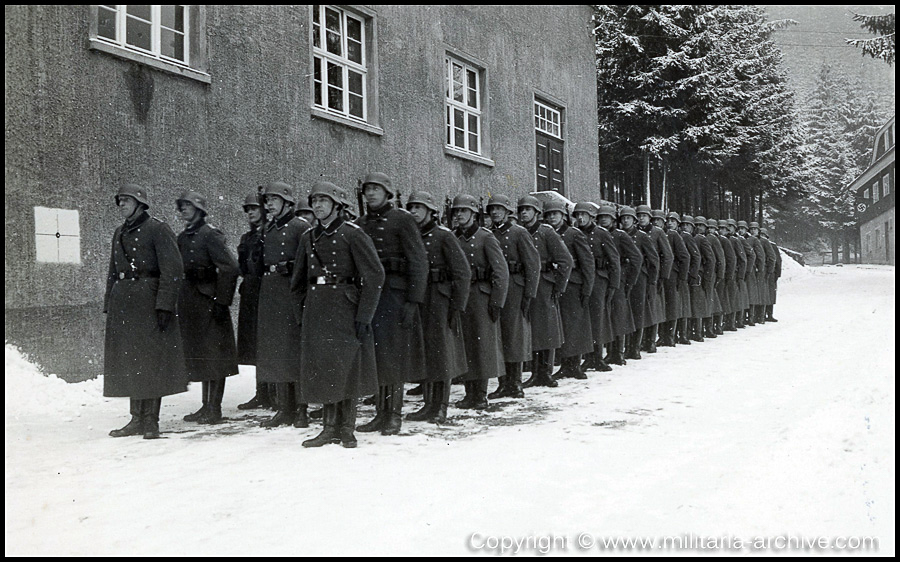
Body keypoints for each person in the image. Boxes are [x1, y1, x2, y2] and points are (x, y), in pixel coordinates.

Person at [290, 181, 384, 448]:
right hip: (317, 309)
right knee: (323, 367)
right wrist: (301, 315)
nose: (318, 206)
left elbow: (375, 275)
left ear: (336, 205)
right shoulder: (308, 237)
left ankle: (346, 428)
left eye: (323, 200)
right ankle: (328, 427)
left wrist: (364, 315)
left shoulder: (353, 234)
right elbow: (297, 282)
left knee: (347, 367)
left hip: (345, 308)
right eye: (315, 201)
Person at [104, 183, 188, 439]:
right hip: (124, 304)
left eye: (126, 200)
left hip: (148, 302)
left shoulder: (158, 229)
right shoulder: (119, 232)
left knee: (150, 361)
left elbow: (172, 270)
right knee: (131, 361)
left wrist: (164, 304)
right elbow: (112, 272)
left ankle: (151, 419)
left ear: (140, 202)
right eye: (119, 201)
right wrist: (109, 303)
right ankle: (136, 418)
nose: (122, 204)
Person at [356, 172, 428, 436]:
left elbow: (418, 262)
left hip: (396, 296)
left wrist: (413, 300)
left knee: (393, 356)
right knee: (377, 356)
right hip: (372, 296)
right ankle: (380, 414)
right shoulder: (361, 223)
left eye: (376, 189)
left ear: (387, 193)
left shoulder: (403, 219)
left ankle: (394, 415)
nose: (371, 194)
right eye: (368, 190)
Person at [404, 191, 471, 421]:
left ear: (431, 211)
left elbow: (462, 273)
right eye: (411, 208)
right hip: (420, 299)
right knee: (426, 353)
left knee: (441, 353)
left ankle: (440, 406)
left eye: (419, 208)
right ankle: (428, 404)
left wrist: (457, 306)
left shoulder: (444, 236)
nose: (413, 212)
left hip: (440, 300)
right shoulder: (411, 236)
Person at [176, 191, 240, 425]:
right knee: (203, 355)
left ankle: (215, 408)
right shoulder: (183, 237)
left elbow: (230, 268)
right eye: (181, 206)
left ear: (199, 208)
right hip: (191, 304)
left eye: (187, 206)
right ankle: (206, 406)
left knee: (215, 356)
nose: (183, 209)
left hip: (211, 304)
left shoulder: (210, 235)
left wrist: (222, 301)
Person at [256, 181, 312, 429]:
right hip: (271, 293)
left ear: (288, 202)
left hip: (292, 292)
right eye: (267, 200)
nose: (269, 204)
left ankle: (301, 408)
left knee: (294, 351)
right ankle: (284, 408)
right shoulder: (268, 228)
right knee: (276, 350)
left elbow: (309, 263)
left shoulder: (301, 227)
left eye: (274, 200)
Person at [452, 194, 509, 408]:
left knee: (482, 346)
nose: (459, 215)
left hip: (482, 297)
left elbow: (500, 272)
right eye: (457, 211)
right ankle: (469, 392)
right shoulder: (455, 238)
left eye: (463, 211)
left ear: (474, 213)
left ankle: (481, 394)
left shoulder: (486, 237)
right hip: (463, 297)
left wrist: (497, 301)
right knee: (465, 344)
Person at [487, 194, 539, 399]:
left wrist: (529, 294)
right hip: (495, 288)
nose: (495, 212)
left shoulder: (519, 233)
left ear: (508, 212)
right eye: (492, 209)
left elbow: (533, 265)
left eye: (499, 209)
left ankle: (515, 383)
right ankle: (503, 383)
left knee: (514, 336)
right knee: (499, 336)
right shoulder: (488, 233)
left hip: (516, 289)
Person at [517, 196, 572, 386]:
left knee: (546, 329)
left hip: (545, 285)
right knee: (532, 329)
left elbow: (566, 261)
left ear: (537, 213)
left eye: (528, 209)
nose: (524, 213)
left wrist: (558, 286)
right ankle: (535, 372)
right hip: (525, 284)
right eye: (521, 209)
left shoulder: (546, 233)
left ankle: (545, 372)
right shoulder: (519, 232)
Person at [544, 200, 594, 379]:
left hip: (573, 285)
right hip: (554, 283)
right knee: (562, 325)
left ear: (563, 216)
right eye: (549, 215)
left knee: (574, 325)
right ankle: (565, 364)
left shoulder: (573, 234)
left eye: (555, 214)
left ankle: (574, 365)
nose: (552, 218)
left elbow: (587, 264)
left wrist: (587, 289)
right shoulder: (547, 234)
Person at [236, 191, 273, 410]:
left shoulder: (271, 233)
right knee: (256, 342)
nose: (250, 212)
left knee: (269, 341)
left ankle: (274, 392)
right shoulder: (247, 238)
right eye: (248, 209)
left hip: (266, 289)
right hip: (251, 290)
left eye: (254, 208)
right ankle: (262, 392)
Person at [574, 202, 620, 373]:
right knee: (584, 319)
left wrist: (613, 285)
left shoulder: (602, 234)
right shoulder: (575, 233)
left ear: (592, 217)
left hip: (600, 280)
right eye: (578, 215)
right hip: (581, 279)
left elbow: (614, 261)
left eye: (584, 215)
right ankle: (588, 357)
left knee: (598, 318)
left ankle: (598, 357)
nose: (580, 218)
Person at [600, 205, 640, 365]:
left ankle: (619, 352)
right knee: (608, 315)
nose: (604, 219)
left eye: (607, 217)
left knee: (619, 315)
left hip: (619, 279)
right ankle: (610, 352)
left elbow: (637, 258)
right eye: (601, 217)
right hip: (603, 278)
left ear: (613, 219)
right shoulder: (597, 234)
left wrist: (629, 280)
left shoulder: (620, 235)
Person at [620, 206, 657, 360]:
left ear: (633, 220)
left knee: (638, 312)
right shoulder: (618, 235)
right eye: (623, 218)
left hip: (640, 279)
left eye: (628, 218)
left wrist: (651, 281)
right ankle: (625, 346)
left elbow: (654, 260)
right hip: (623, 277)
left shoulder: (641, 236)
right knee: (624, 312)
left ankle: (635, 347)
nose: (625, 220)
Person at [638, 206, 672, 354]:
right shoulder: (635, 233)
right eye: (639, 216)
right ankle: (640, 341)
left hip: (653, 274)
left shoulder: (657, 232)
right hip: (639, 275)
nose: (641, 218)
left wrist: (662, 276)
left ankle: (651, 341)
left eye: (644, 216)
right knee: (641, 308)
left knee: (653, 308)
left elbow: (668, 256)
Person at [659, 211, 689, 347]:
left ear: (678, 224)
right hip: (661, 274)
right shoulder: (663, 234)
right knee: (663, 305)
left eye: (673, 221)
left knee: (672, 305)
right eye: (668, 221)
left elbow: (685, 257)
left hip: (673, 275)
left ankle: (670, 336)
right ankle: (662, 336)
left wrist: (682, 277)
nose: (670, 223)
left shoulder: (675, 235)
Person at [679, 215, 705, 342]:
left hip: (692, 275)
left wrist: (693, 274)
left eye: (688, 225)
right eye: (683, 225)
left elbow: (696, 257)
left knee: (695, 304)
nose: (685, 227)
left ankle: (697, 332)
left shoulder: (689, 237)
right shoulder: (684, 236)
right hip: (686, 274)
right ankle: (688, 332)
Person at [695, 216, 721, 339]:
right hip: (703, 274)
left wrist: (710, 276)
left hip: (708, 274)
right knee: (704, 302)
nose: (699, 227)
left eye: (702, 225)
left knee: (708, 302)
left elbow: (714, 260)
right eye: (697, 225)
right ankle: (703, 329)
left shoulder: (708, 239)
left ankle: (709, 329)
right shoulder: (698, 238)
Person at [715, 219, 738, 332]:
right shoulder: (719, 240)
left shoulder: (729, 241)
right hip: (723, 274)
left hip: (728, 274)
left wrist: (729, 274)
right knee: (723, 299)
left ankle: (729, 323)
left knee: (727, 299)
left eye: (723, 229)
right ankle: (723, 323)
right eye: (719, 229)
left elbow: (732, 259)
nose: (720, 231)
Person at [727, 219, 749, 329]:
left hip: (736, 273)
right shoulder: (727, 239)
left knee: (735, 298)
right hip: (728, 272)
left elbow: (744, 258)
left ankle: (735, 321)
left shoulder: (737, 240)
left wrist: (742, 273)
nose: (728, 228)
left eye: (730, 226)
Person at [753, 222, 776, 325]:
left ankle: (761, 316)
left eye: (755, 229)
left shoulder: (765, 242)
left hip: (763, 271)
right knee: (755, 294)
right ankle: (755, 316)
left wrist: (769, 272)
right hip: (755, 271)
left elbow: (772, 258)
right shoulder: (751, 240)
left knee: (762, 294)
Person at [760, 228, 781, 322]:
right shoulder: (759, 244)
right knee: (763, 294)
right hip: (763, 272)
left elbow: (778, 261)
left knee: (771, 294)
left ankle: (769, 314)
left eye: (763, 235)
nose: (762, 237)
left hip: (771, 273)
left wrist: (777, 274)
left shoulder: (772, 246)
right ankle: (762, 314)